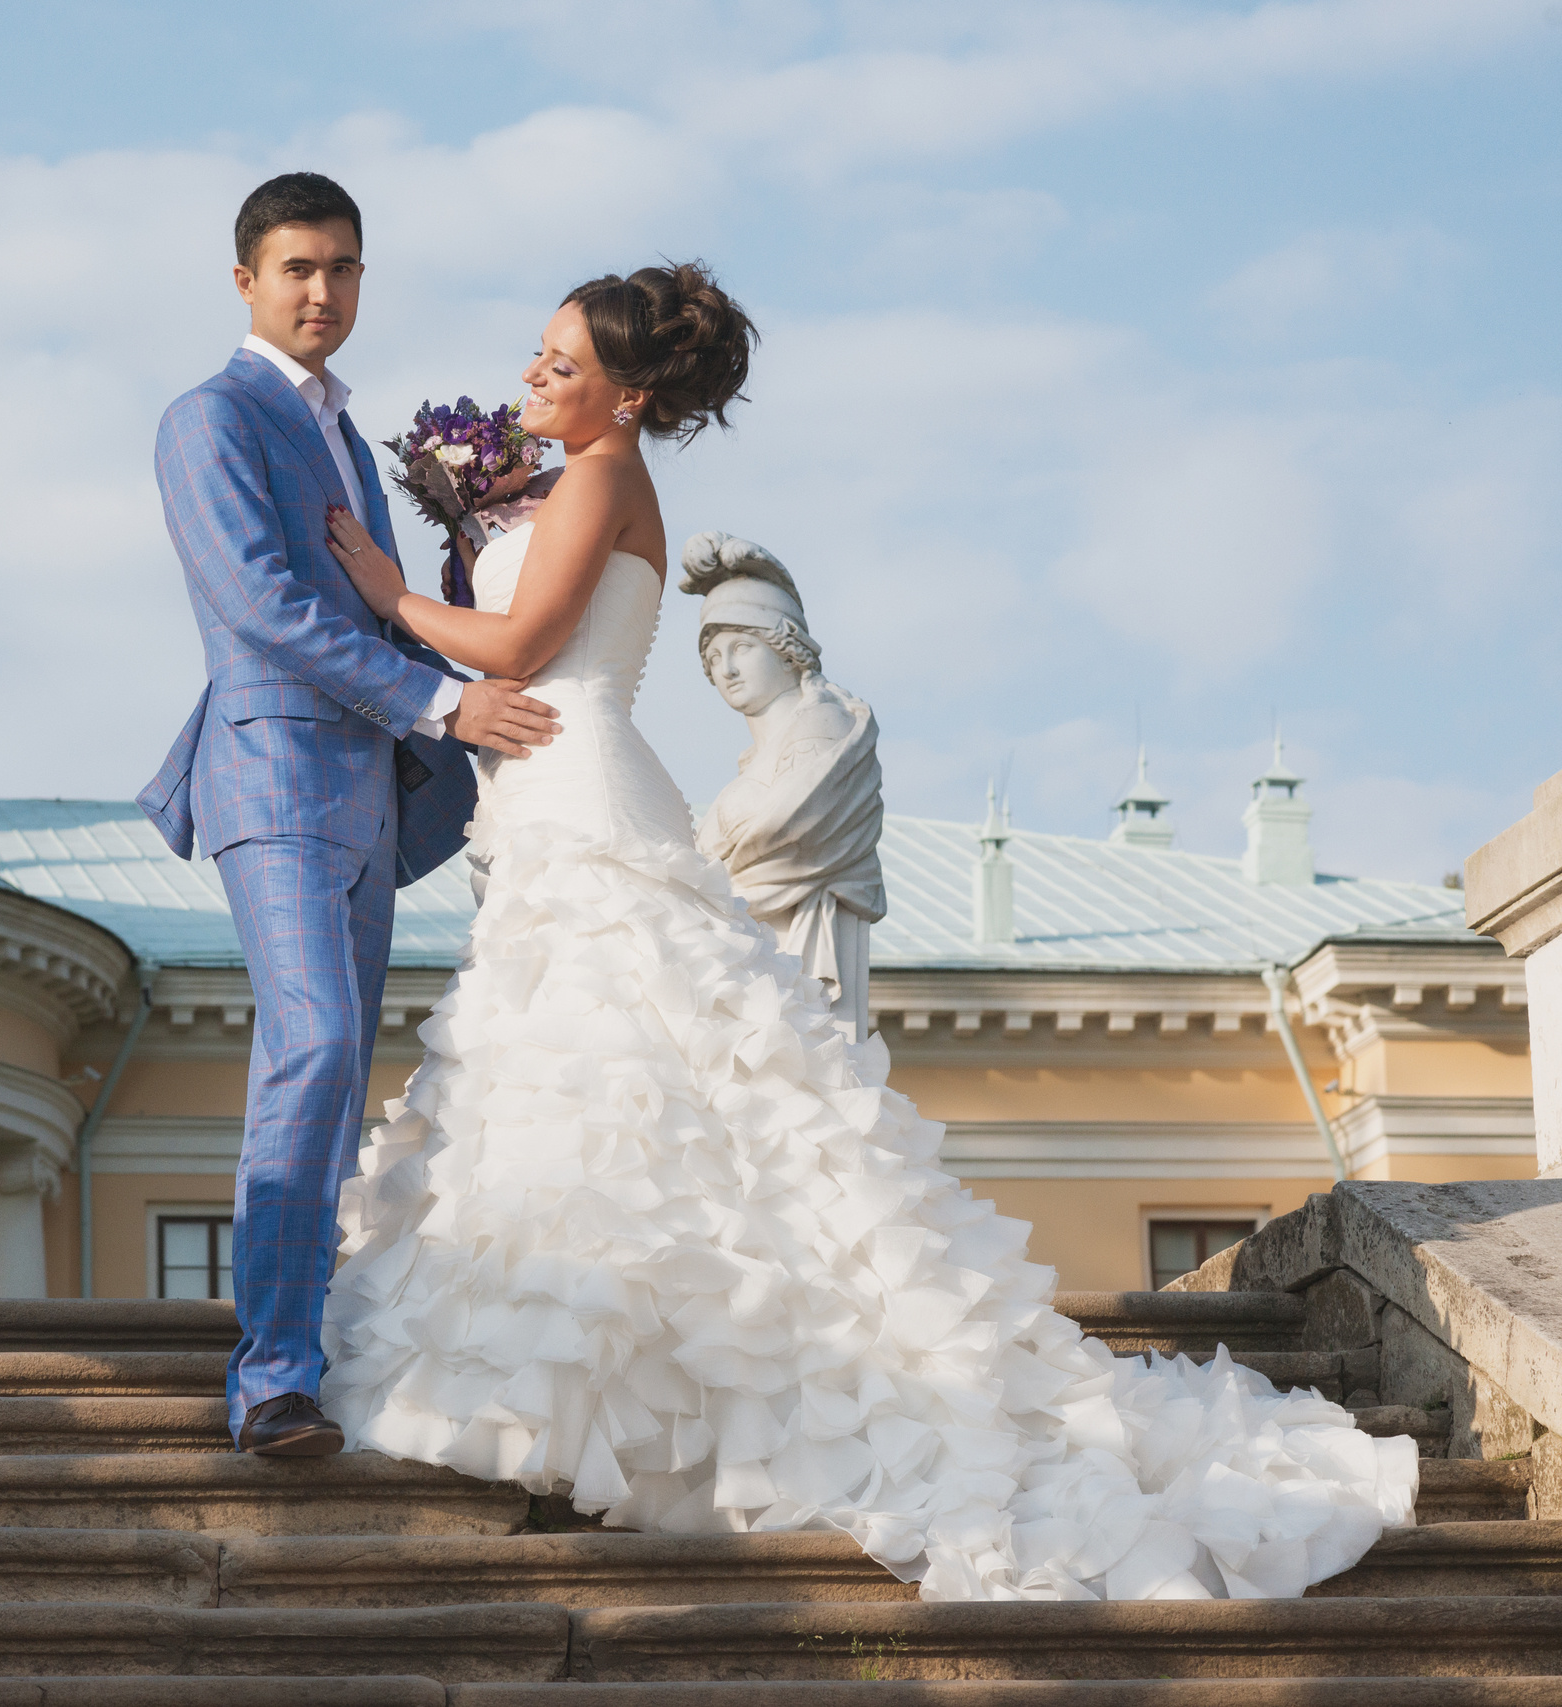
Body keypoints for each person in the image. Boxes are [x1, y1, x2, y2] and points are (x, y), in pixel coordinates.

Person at [312, 263, 1416, 1600]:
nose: (535, 376)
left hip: (586, 807)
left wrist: (381, 588)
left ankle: (613, 1413)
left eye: (562, 362)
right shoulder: (573, 478)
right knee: (604, 1111)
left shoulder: (603, 476)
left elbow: (522, 638)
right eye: (538, 355)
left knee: (608, 1104)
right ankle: (582, 1406)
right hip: (555, 810)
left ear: (631, 391)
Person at [138, 172, 563, 1454]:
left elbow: (371, 597)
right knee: (312, 1046)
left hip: (370, 797)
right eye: (296, 270)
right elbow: (261, 604)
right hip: (271, 775)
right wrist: (442, 704)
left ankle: (307, 1354)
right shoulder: (208, 416)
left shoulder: (346, 432)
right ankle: (269, 1376)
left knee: (337, 1068)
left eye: (342, 269)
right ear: (245, 281)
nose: (322, 293)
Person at [686, 533, 884, 1039]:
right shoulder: (750, 769)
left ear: (786, 648)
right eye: (713, 657)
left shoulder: (824, 733)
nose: (726, 669)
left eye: (742, 647)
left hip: (790, 968)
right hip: (745, 975)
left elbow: (783, 839)